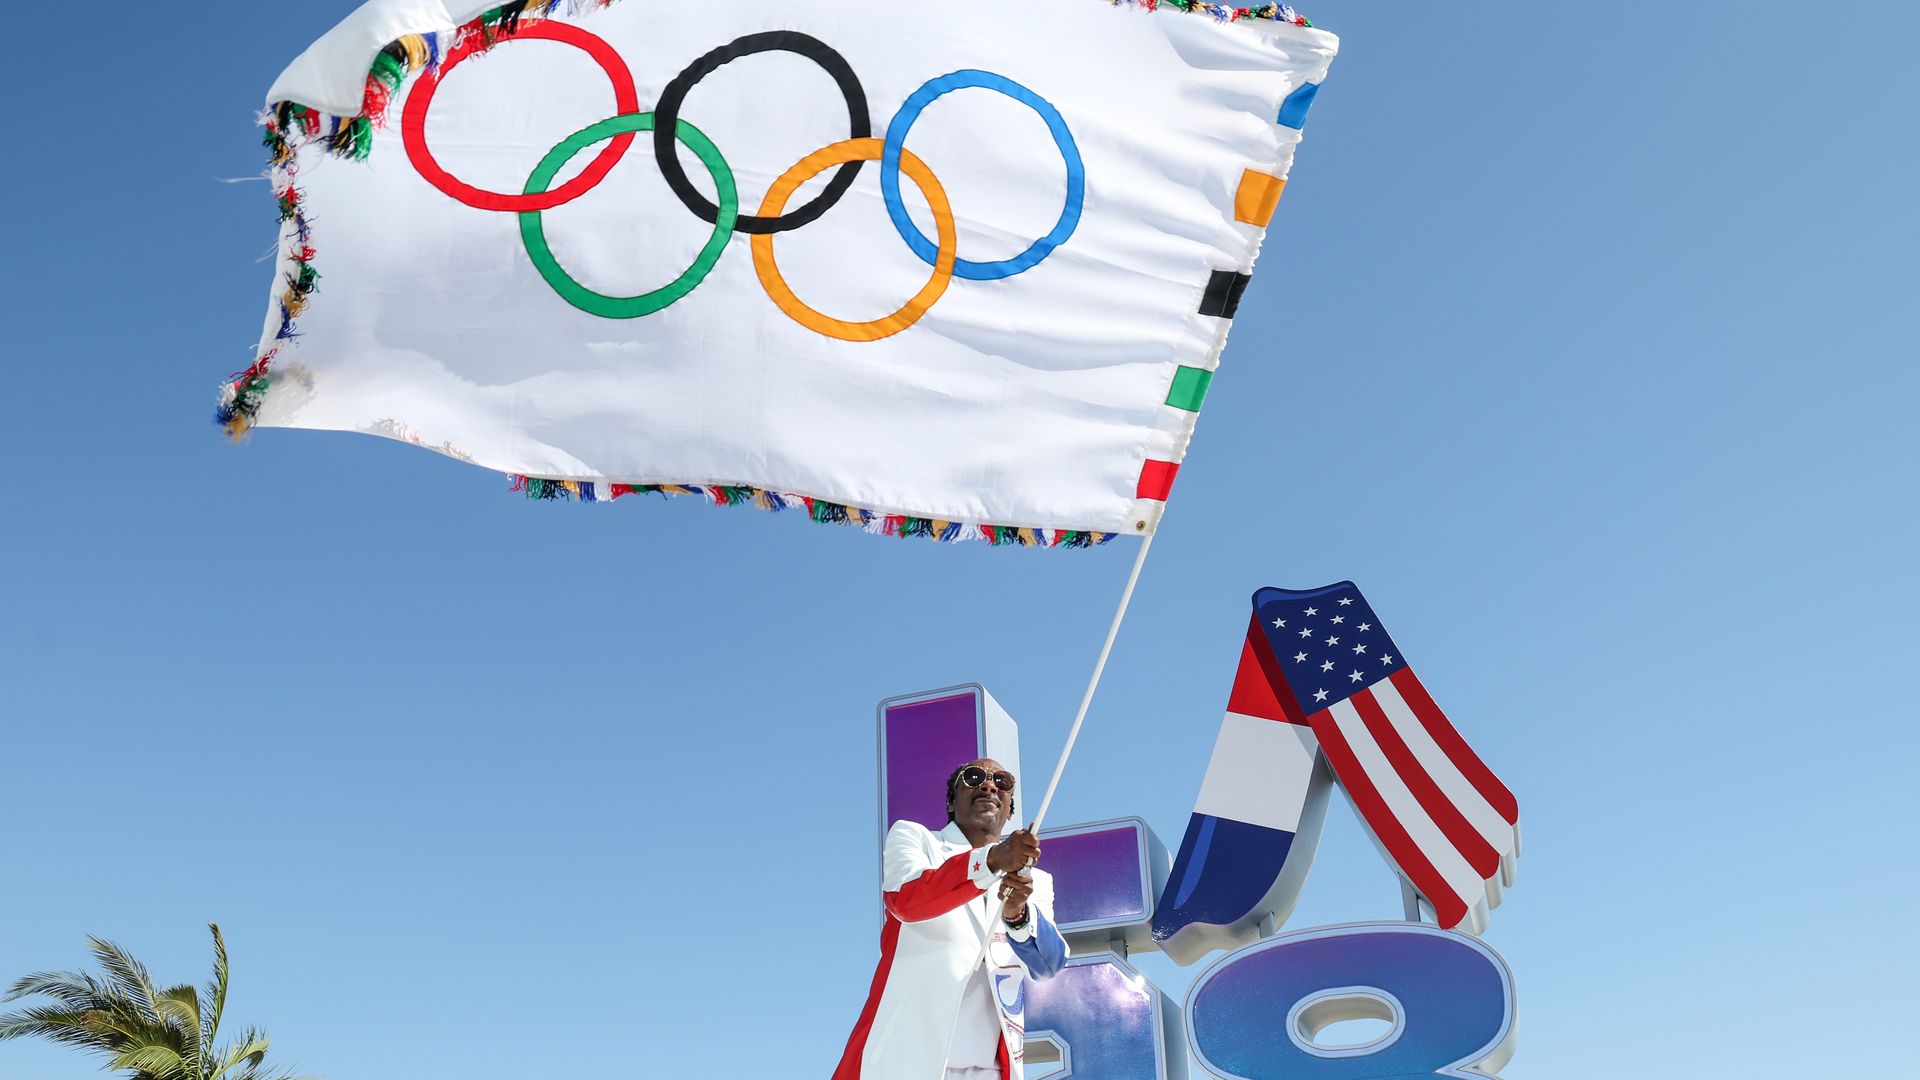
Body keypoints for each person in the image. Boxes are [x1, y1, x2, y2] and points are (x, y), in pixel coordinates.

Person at [833, 758, 1069, 1080]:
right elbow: (906, 901)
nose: (989, 785)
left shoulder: (1035, 881)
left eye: (1002, 782)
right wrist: (991, 861)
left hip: (991, 1070)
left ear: (1009, 807)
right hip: (903, 1063)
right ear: (950, 800)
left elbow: (1049, 964)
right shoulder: (916, 839)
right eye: (974, 778)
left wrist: (1017, 914)